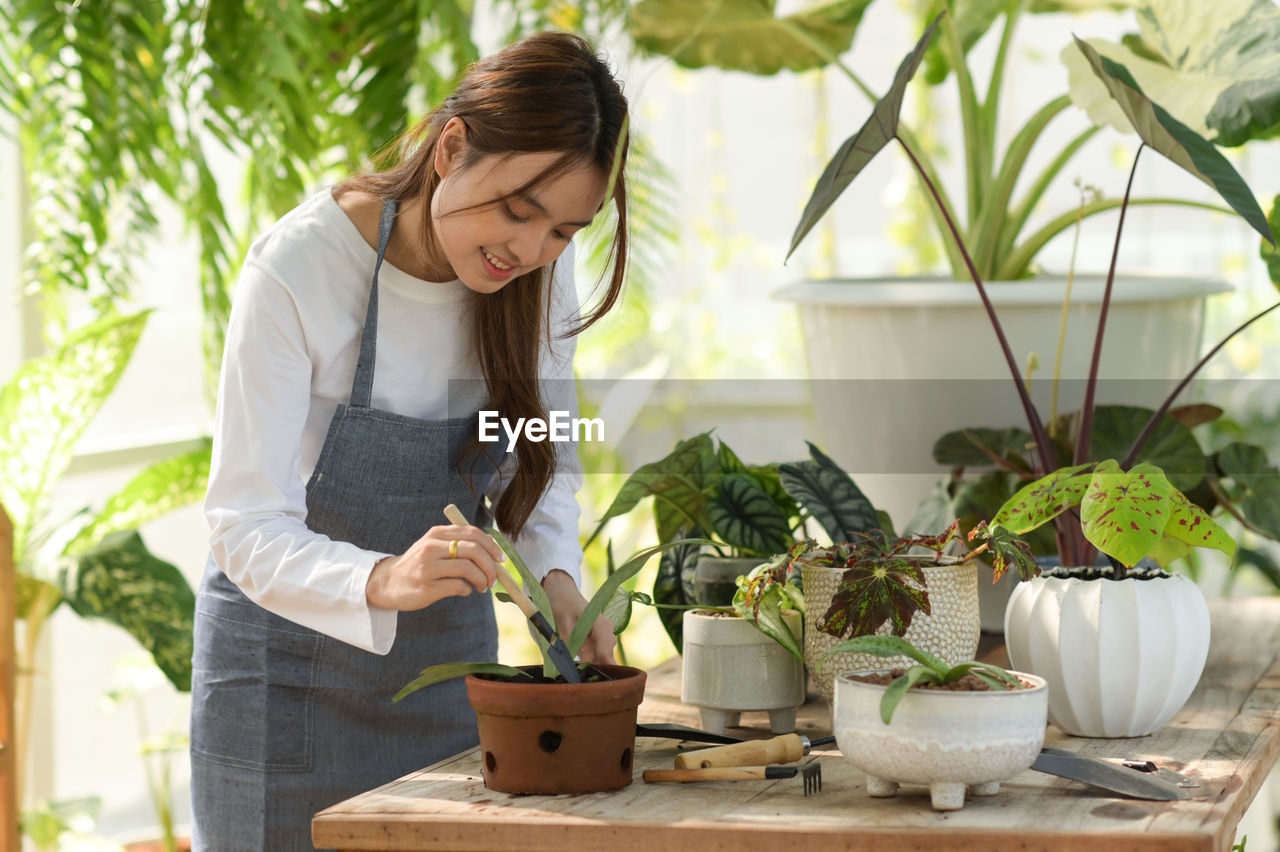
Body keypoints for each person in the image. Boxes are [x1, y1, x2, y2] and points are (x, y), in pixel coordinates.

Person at [190, 31, 629, 850]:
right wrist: (387, 576)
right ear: (452, 147)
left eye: (564, 232)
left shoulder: (533, 275)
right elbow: (244, 523)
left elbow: (539, 453)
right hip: (279, 687)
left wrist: (560, 577)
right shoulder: (302, 268)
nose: (530, 251)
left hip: (444, 686)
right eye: (517, 209)